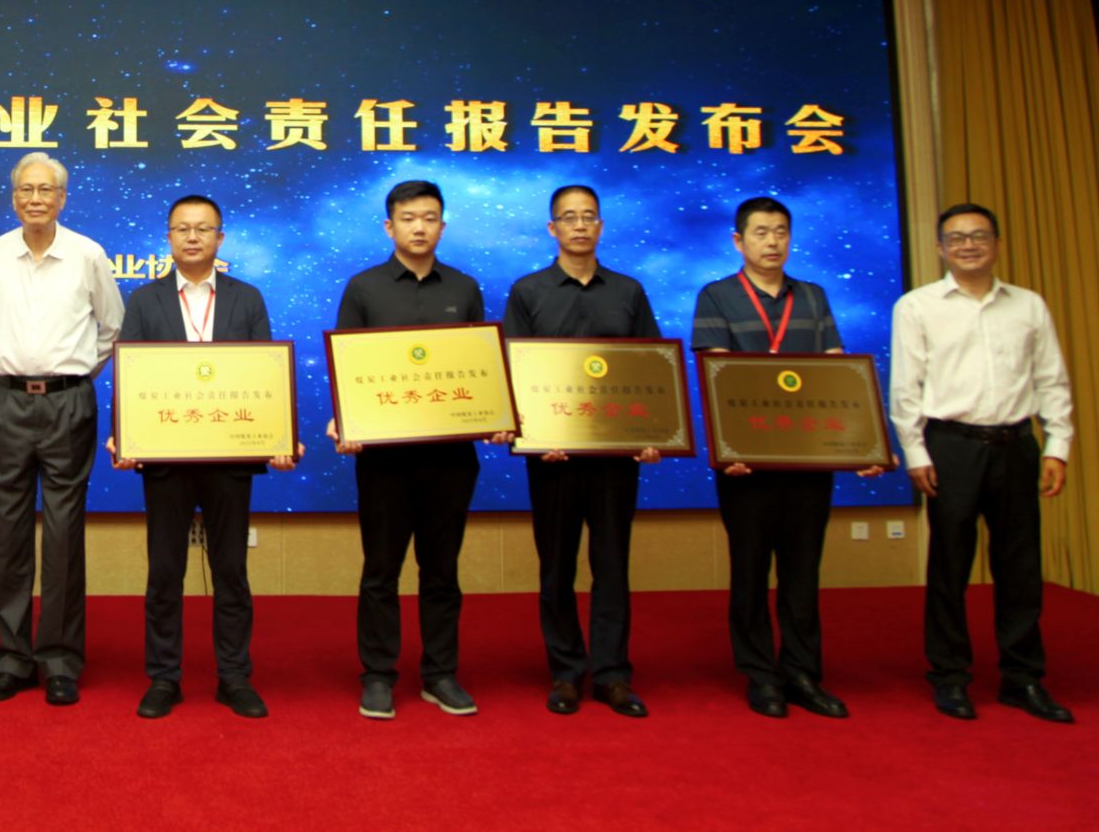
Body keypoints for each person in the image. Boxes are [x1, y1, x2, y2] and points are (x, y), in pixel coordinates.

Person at [107, 194, 298, 720]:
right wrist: (122, 434)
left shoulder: (247, 298)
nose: (193, 237)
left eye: (203, 229)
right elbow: (129, 372)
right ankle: (163, 677)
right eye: (182, 229)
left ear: (220, 237)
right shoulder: (144, 300)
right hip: (165, 456)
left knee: (231, 570)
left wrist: (279, 436)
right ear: (168, 237)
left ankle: (234, 676)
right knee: (164, 571)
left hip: (229, 458)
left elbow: (264, 374)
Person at [691, 195, 882, 720]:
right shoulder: (717, 296)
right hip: (746, 465)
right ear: (739, 241)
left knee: (802, 571)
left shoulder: (813, 297)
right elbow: (718, 379)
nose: (772, 241)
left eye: (780, 232)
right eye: (761, 232)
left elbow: (837, 373)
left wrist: (863, 443)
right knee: (750, 569)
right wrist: (728, 447)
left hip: (806, 462)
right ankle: (760, 675)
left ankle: (801, 672)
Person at [889, 203, 1075, 724]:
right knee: (949, 565)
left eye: (978, 236)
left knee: (1021, 567)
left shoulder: (1028, 305)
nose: (968, 245)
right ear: (940, 247)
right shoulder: (917, 306)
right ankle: (950, 676)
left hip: (1016, 444)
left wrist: (1057, 445)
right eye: (956, 238)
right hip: (951, 445)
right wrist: (915, 452)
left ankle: (1023, 677)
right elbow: (906, 388)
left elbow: (1051, 380)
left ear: (996, 243)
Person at [327, 179, 496, 722]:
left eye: (429, 218)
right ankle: (378, 674)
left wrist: (495, 415)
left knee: (441, 569)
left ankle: (440, 673)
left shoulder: (464, 288)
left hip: (450, 458)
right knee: (381, 568)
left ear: (442, 226)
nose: (419, 227)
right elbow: (348, 366)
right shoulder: (364, 288)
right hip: (384, 459)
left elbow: (479, 369)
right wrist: (346, 419)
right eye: (408, 218)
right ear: (389, 226)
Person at [0, 152, 124, 706]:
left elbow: (112, 327)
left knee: (63, 535)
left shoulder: (87, 254)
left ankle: (58, 659)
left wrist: (76, 376)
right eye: (25, 190)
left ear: (62, 198)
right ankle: (12, 659)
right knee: (8, 536)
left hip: (67, 407)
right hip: (5, 403)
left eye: (45, 190)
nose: (35, 199)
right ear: (14, 198)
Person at [502, 184, 661, 719]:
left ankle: (613, 675)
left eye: (588, 217)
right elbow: (515, 371)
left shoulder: (629, 292)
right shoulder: (528, 291)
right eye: (568, 218)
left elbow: (651, 367)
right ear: (553, 228)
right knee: (557, 568)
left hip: (615, 459)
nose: (579, 226)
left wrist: (655, 434)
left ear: (600, 226)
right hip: (553, 459)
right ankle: (566, 671)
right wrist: (533, 436)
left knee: (612, 566)